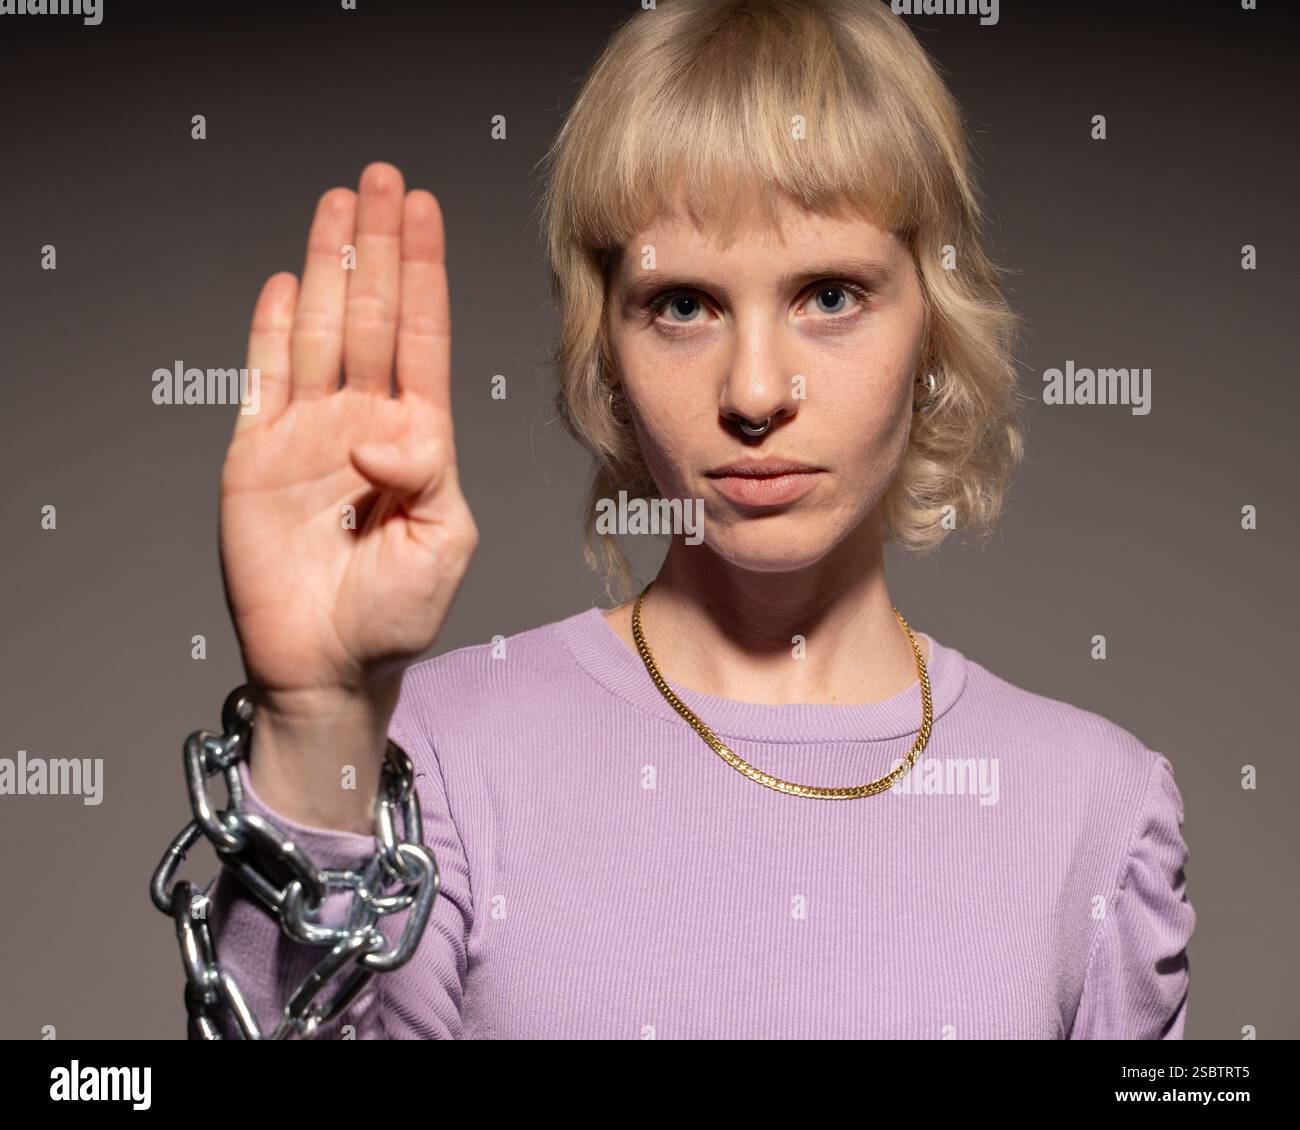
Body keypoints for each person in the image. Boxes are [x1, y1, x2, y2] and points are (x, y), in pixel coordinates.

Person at [203, 0, 1195, 1039]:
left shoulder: (1094, 807)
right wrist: (314, 718)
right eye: (682, 304)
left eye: (829, 293)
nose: (756, 391)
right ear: (609, 354)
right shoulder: (434, 763)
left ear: (933, 326)